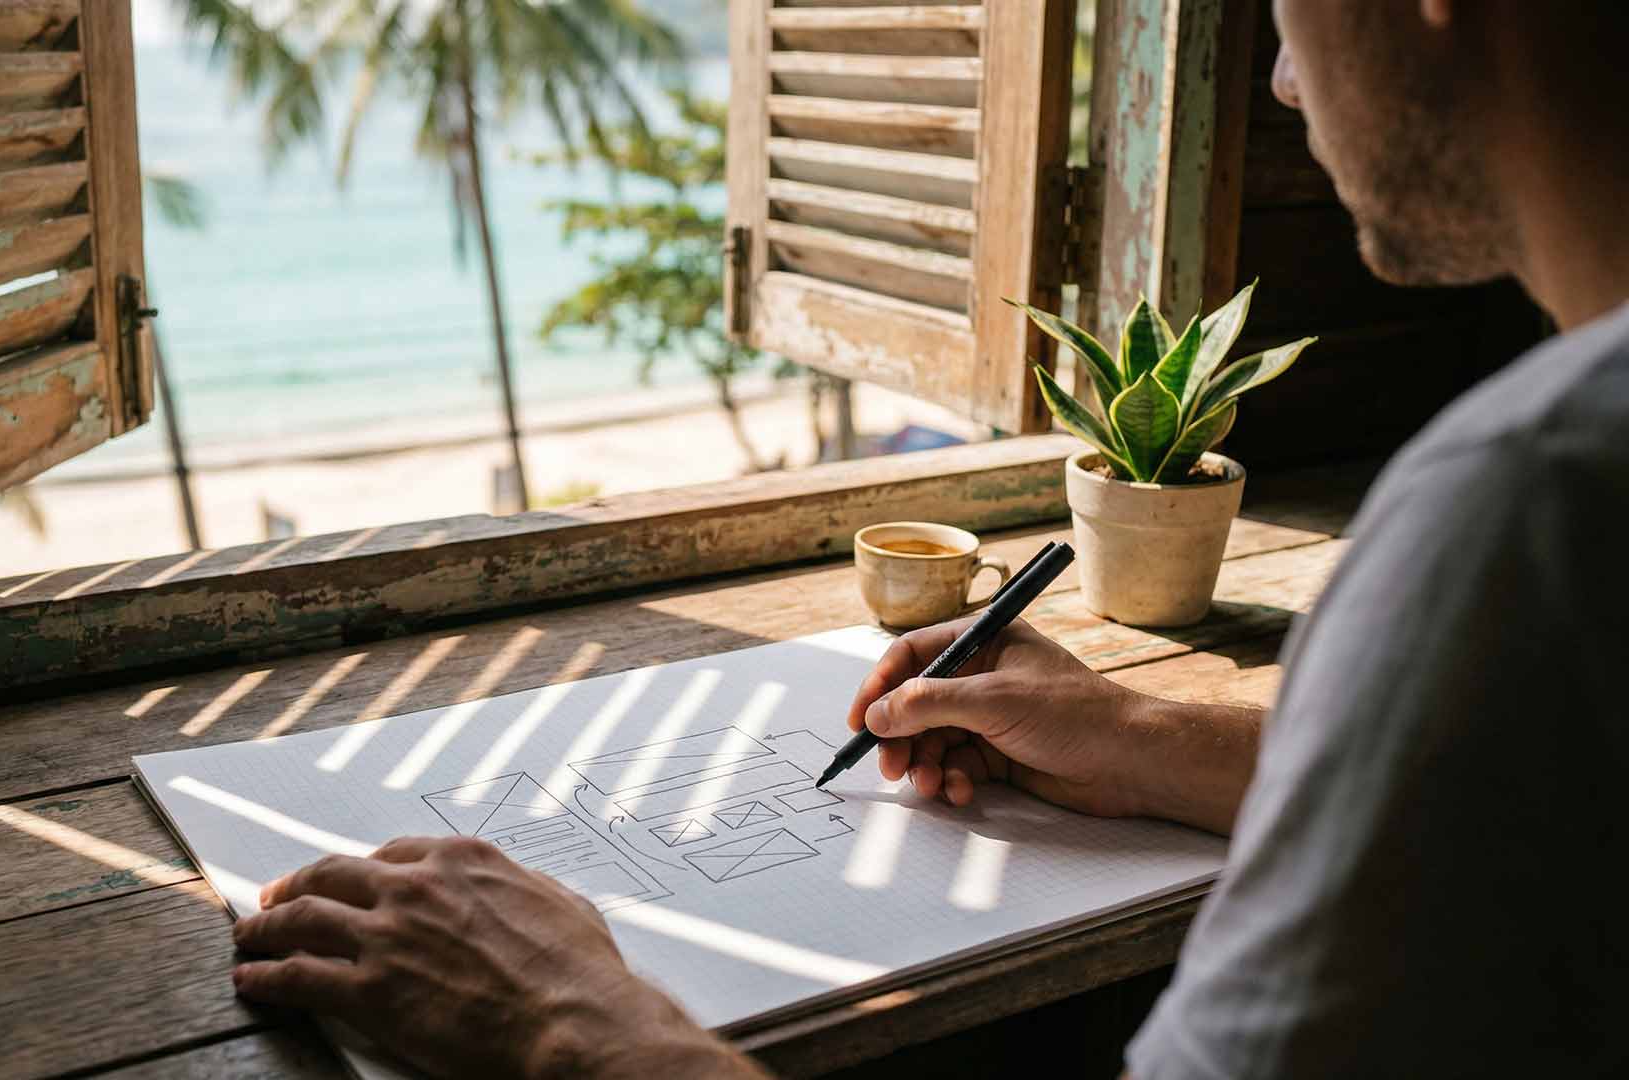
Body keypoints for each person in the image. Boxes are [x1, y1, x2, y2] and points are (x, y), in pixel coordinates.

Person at [228, 1, 1629, 1075]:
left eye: (1280, 12)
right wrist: (1149, 747)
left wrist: (577, 1029)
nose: (1276, 75)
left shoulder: (1533, 507)